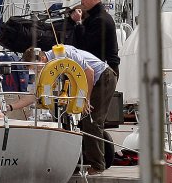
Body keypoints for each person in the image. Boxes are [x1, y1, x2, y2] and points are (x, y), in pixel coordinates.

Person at [10, 45, 117, 174]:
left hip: (103, 77)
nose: (36, 71)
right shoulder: (47, 69)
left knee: (92, 121)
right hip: (92, 82)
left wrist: (85, 99)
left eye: (35, 67)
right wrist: (10, 107)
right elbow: (34, 95)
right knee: (80, 122)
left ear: (42, 58)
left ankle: (98, 165)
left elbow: (90, 72)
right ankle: (80, 162)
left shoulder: (65, 53)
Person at [70, 0, 120, 77]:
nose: (82, 3)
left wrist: (78, 23)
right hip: (100, 70)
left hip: (105, 72)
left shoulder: (101, 20)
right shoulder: (95, 17)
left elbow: (86, 45)